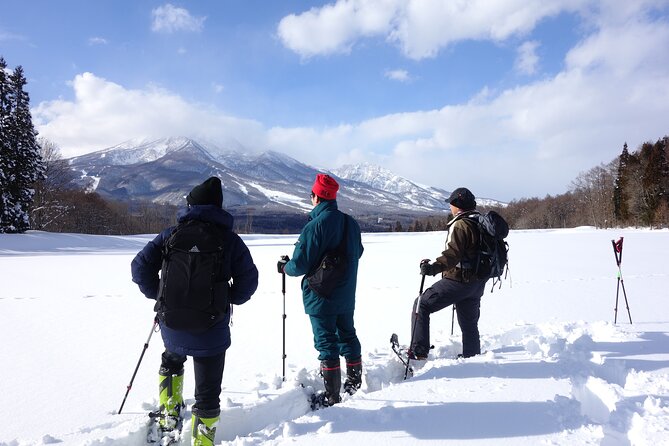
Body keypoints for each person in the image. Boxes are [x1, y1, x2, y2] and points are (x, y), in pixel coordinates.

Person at [131, 177, 258, 446]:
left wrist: (160, 295)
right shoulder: (230, 240)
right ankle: (202, 441)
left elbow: (139, 268)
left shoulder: (170, 235)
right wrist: (227, 299)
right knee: (208, 392)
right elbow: (249, 282)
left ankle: (169, 415)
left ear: (191, 205)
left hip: (172, 321)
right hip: (211, 327)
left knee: (172, 360)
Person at [277, 173, 364, 407]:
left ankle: (331, 396)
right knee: (347, 334)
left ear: (315, 196)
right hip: (346, 293)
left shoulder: (315, 226)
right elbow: (359, 252)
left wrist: (286, 267)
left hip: (321, 295)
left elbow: (301, 264)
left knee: (326, 342)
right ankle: (354, 384)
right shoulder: (350, 223)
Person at [409, 187, 486, 360]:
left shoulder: (461, 224)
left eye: (451, 204)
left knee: (421, 304)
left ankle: (418, 351)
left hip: (459, 281)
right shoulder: (479, 221)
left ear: (457, 205)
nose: (450, 207)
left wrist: (432, 268)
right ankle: (472, 356)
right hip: (477, 282)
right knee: (469, 324)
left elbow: (452, 255)